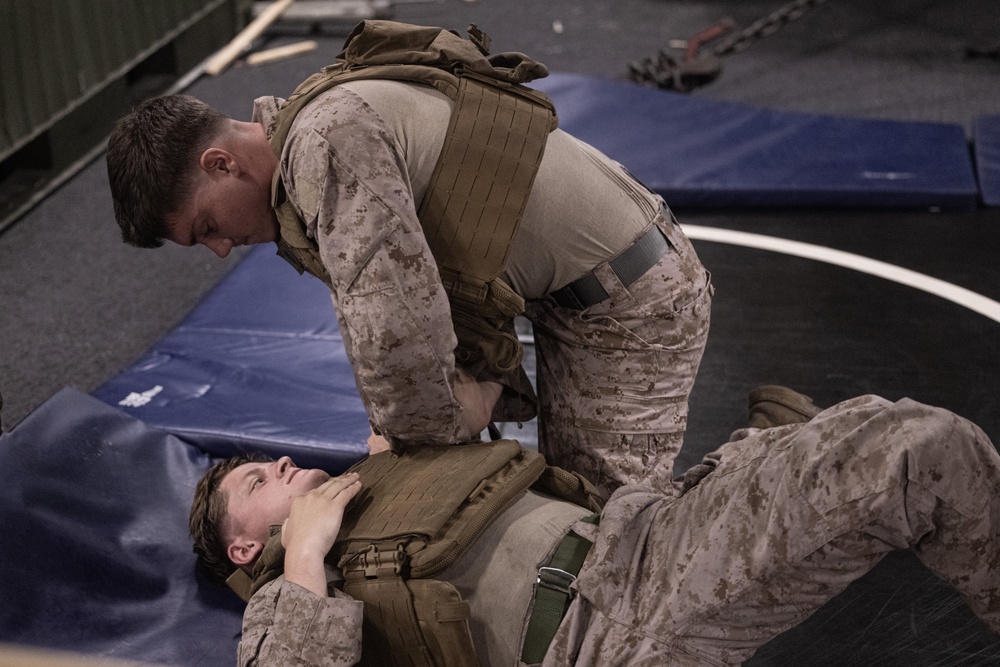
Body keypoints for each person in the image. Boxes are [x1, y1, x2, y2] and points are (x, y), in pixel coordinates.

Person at [106, 21, 713, 499]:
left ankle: (777, 478)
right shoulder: (310, 125)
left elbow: (395, 334)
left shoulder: (325, 144)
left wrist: (418, 437)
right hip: (582, 292)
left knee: (614, 534)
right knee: (575, 505)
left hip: (630, 304)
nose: (218, 247)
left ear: (221, 164)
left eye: (207, 227)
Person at [190, 388, 1000, 666]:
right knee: (918, 451)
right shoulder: (286, 596)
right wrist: (302, 555)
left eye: (273, 460)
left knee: (871, 426)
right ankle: (773, 450)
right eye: (258, 480)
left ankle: (770, 448)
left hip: (638, 536)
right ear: (243, 546)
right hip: (611, 625)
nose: (283, 467)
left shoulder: (376, 478)